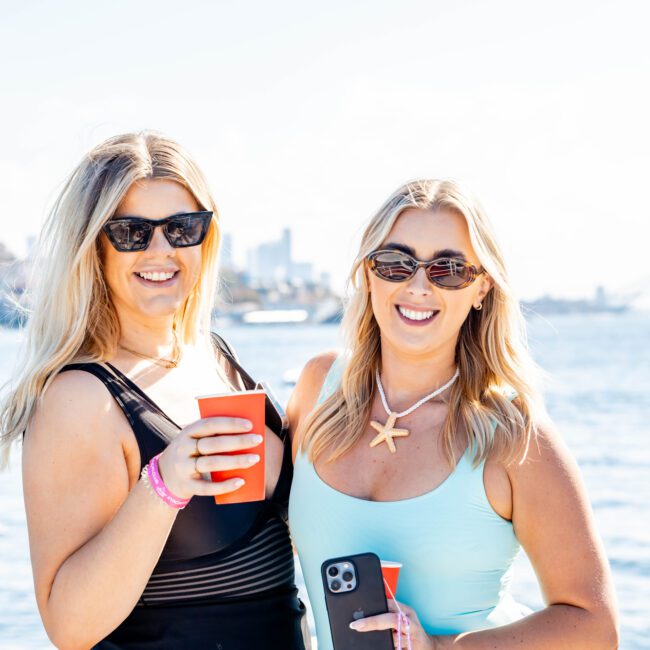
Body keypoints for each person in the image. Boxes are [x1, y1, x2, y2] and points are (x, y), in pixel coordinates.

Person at [0, 132, 307, 649]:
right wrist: (163, 484)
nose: (162, 250)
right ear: (94, 246)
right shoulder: (79, 399)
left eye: (182, 228)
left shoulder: (217, 357)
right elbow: (69, 627)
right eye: (132, 232)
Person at [288, 179, 618, 649]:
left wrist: (438, 648)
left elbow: (595, 626)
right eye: (395, 263)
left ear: (481, 287)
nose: (419, 286)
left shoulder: (513, 434)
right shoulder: (319, 387)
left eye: (448, 270)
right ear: (367, 273)